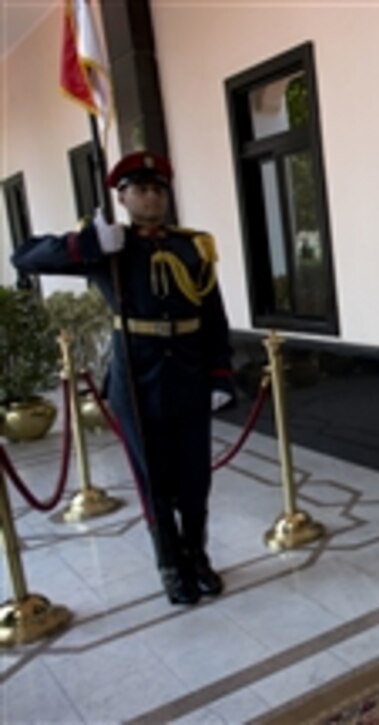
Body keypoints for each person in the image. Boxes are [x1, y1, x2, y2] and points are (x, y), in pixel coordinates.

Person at [11, 151, 235, 606]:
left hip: (190, 376)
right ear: (123, 196)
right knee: (154, 478)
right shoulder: (110, 247)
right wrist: (87, 244)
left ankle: (197, 557)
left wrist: (220, 377)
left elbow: (213, 314)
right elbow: (25, 256)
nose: (151, 197)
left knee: (194, 477)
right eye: (141, 190)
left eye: (158, 189)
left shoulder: (192, 247)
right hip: (137, 380)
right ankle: (171, 567)